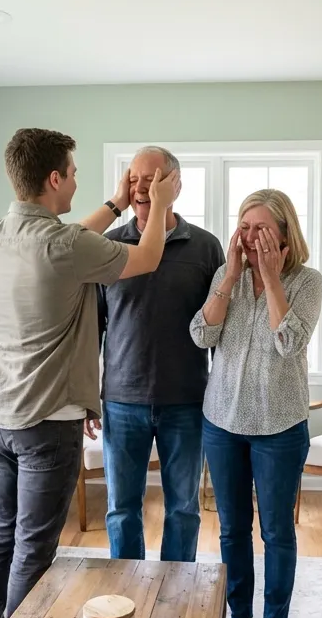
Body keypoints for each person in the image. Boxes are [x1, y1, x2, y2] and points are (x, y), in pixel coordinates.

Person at [0, 128, 178, 618]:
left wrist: (114, 201)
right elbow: (148, 256)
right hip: (45, 423)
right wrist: (158, 202)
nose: (76, 183)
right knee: (34, 547)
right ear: (55, 178)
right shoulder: (63, 246)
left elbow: (70, 243)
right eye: (73, 173)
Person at [190, 188, 322, 618]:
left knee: (276, 530)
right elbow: (201, 334)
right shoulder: (227, 277)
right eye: (243, 227)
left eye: (260, 229)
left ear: (284, 236)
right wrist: (231, 276)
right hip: (222, 421)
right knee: (231, 529)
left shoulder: (307, 282)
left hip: (279, 426)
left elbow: (289, 342)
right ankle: (239, 617)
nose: (249, 237)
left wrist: (270, 280)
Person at [87, 147, 224, 562]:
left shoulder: (204, 248)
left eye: (152, 178)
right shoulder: (109, 246)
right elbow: (92, 327)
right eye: (133, 179)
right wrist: (86, 398)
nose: (141, 187)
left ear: (174, 185)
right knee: (121, 511)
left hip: (186, 402)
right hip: (121, 402)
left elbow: (219, 330)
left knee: (183, 509)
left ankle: (175, 592)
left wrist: (221, 400)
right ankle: (124, 593)